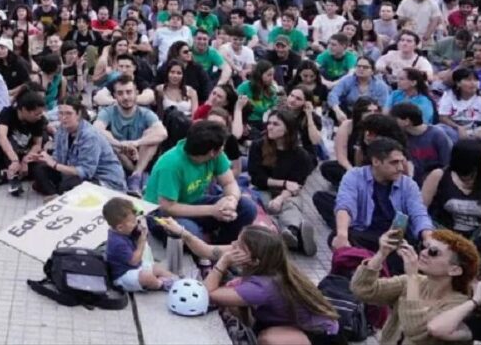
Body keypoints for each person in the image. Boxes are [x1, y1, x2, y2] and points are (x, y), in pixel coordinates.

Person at [202, 226, 339, 345]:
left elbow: (206, 294)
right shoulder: (276, 268)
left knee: (268, 339)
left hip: (322, 336)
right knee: (231, 298)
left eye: (240, 247)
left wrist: (223, 262)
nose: (233, 245)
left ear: (255, 261)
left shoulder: (263, 287)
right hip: (295, 325)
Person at [350, 228, 479, 345]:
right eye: (425, 247)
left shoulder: (458, 305)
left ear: (454, 270)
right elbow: (362, 290)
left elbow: (416, 331)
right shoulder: (411, 282)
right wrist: (382, 254)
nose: (423, 253)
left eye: (434, 252)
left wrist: (412, 276)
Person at [314, 137, 433, 260]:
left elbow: (419, 213)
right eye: (394, 162)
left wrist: (428, 237)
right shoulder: (355, 176)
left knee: (415, 249)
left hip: (395, 238)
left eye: (401, 162)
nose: (400, 168)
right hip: (365, 231)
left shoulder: (408, 184)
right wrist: (342, 234)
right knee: (337, 236)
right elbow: (345, 205)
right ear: (376, 161)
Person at [144, 120, 257, 245]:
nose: (223, 149)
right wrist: (212, 210)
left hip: (195, 203)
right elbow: (168, 207)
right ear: (212, 152)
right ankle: (204, 246)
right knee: (191, 234)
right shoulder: (170, 165)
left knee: (247, 207)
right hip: (162, 214)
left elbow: (229, 183)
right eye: (221, 147)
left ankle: (222, 246)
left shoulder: (216, 156)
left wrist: (231, 200)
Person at [248, 109, 318, 255]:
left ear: (287, 129)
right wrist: (283, 183)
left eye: (276, 124)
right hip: (262, 188)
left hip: (287, 194)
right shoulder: (257, 146)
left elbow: (296, 184)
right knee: (265, 206)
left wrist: (280, 197)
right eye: (269, 123)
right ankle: (289, 235)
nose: (270, 127)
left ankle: (290, 231)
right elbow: (257, 178)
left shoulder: (301, 156)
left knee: (291, 205)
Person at [28, 96, 126, 196]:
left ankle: (57, 193)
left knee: (68, 185)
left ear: (78, 114)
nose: (63, 117)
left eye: (68, 114)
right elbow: (58, 158)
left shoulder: (89, 135)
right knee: (39, 169)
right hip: (75, 172)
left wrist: (54, 164)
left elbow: (86, 172)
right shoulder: (62, 130)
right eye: (61, 113)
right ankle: (54, 195)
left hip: (102, 178)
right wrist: (44, 159)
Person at [421, 138, 481, 245]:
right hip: (443, 234)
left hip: (476, 236)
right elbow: (421, 208)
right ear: (474, 160)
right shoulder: (439, 175)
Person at [94, 75, 167, 194]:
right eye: (120, 93)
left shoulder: (145, 113)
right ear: (114, 96)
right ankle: (138, 176)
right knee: (106, 136)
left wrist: (135, 143)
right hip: (120, 156)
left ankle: (136, 176)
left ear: (136, 93)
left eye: (129, 92)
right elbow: (96, 129)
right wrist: (120, 144)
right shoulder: (108, 112)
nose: (125, 97)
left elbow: (162, 133)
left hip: (142, 156)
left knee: (152, 133)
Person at [103, 197, 177, 293]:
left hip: (136, 267)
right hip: (123, 275)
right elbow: (134, 261)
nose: (136, 223)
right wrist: (141, 241)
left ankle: (176, 280)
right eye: (133, 222)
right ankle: (161, 284)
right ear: (120, 227)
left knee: (156, 268)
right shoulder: (117, 242)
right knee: (147, 277)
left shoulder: (124, 232)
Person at [0, 91, 49, 197]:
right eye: (36, 114)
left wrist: (26, 160)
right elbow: (2, 137)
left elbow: (37, 144)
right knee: (9, 143)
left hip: (26, 149)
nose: (39, 116)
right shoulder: (8, 113)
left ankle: (11, 173)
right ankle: (13, 176)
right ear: (24, 110)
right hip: (8, 149)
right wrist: (15, 160)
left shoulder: (39, 120)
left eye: (40, 113)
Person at [438, 67, 481, 150]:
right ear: (458, 83)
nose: (473, 83)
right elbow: (442, 117)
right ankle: (470, 147)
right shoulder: (448, 95)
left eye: (476, 80)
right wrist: (458, 127)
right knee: (440, 130)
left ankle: (461, 147)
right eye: (468, 80)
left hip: (475, 132)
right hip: (456, 131)